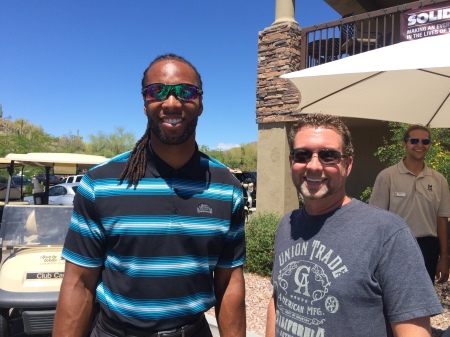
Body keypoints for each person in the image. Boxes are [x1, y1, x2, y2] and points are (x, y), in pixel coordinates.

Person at [54, 54, 246, 337]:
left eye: (186, 91)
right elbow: (79, 282)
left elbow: (229, 280)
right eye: (157, 91)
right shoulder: (101, 182)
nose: (171, 102)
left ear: (201, 103)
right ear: (145, 102)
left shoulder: (226, 188)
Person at [266, 113, 442, 337]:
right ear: (292, 162)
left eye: (328, 156)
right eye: (302, 154)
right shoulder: (287, 224)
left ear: (347, 165)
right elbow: (279, 298)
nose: (313, 165)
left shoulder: (387, 233)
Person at [370, 125, 450, 284]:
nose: (420, 145)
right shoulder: (387, 177)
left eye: (425, 141)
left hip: (428, 247)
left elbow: (441, 220)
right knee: (393, 296)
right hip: (396, 247)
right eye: (414, 140)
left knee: (422, 300)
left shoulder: (438, 180)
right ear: (404, 144)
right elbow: (376, 220)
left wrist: (445, 257)